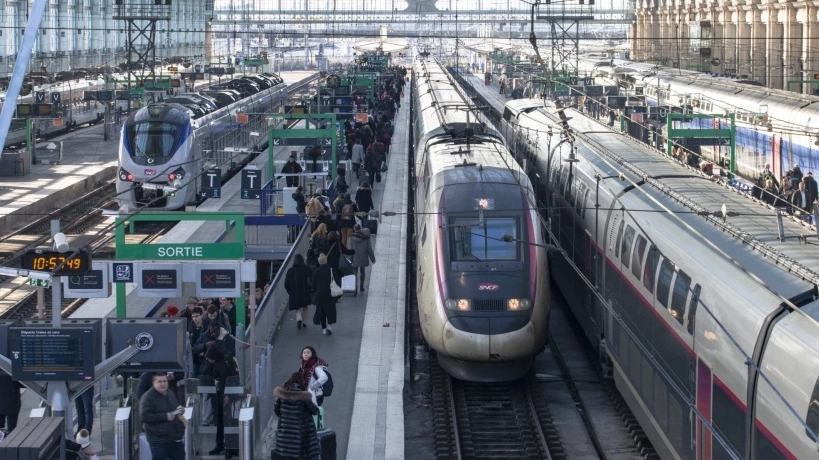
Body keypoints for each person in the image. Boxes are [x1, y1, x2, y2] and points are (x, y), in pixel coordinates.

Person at [272, 372, 321, 460]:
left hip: (284, 437)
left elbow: (276, 410)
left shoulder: (281, 395)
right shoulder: (304, 397)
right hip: (299, 437)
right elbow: (314, 411)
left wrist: (285, 417)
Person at [202, 346, 239, 457]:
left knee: (229, 421)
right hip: (218, 395)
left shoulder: (227, 361)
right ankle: (220, 444)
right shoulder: (214, 363)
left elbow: (233, 378)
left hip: (229, 396)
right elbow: (208, 375)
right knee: (219, 421)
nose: (209, 360)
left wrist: (228, 395)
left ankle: (231, 446)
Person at [139, 372, 186, 460]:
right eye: (159, 381)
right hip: (159, 439)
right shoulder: (147, 397)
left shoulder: (170, 393)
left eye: (165, 381)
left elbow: (173, 408)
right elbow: (145, 416)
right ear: (153, 383)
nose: (163, 384)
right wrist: (165, 416)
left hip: (174, 437)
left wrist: (179, 411)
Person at [284, 253, 313, 330]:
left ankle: (299, 319)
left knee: (297, 307)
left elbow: (286, 283)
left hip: (294, 292)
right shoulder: (306, 268)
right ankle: (304, 322)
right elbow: (312, 276)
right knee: (305, 306)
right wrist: (311, 287)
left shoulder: (290, 271)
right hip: (305, 290)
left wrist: (289, 291)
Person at [312, 253, 337, 336]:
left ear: (319, 262)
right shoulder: (331, 270)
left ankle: (323, 329)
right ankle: (329, 326)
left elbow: (314, 285)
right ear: (326, 261)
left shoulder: (316, 272)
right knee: (330, 310)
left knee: (322, 311)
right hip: (330, 293)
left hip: (320, 294)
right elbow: (336, 280)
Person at [349, 224, 376, 294]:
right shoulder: (366, 237)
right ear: (360, 229)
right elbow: (369, 249)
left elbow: (350, 248)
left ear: (354, 229)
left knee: (355, 273)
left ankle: (355, 288)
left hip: (355, 257)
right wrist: (372, 258)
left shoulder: (352, 237)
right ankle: (361, 286)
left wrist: (350, 258)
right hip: (363, 257)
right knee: (362, 271)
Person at [188, 306, 207, 377]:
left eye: (197, 316)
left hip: (204, 357)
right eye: (193, 317)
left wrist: (204, 352)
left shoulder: (207, 327)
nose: (195, 318)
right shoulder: (190, 327)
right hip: (194, 357)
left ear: (202, 315)